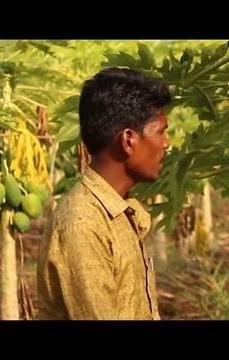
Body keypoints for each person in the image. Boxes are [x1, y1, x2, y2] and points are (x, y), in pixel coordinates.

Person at [37, 67, 171, 320]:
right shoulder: (83, 224)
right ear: (128, 140)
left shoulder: (120, 212)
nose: (166, 143)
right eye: (161, 131)